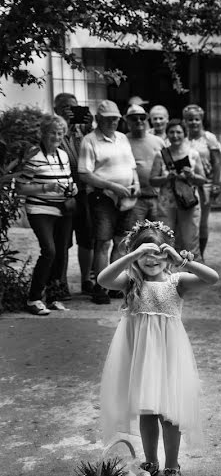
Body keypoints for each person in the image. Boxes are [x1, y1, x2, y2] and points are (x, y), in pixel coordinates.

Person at [97, 219, 218, 476]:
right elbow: (102, 280)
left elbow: (213, 278)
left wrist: (182, 261)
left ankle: (172, 465)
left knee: (170, 414)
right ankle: (151, 462)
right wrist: (131, 256)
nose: (151, 260)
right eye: (145, 254)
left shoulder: (177, 282)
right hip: (140, 356)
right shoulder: (130, 282)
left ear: (168, 254)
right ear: (136, 256)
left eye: (157, 254)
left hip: (170, 356)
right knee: (148, 410)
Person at [13, 114, 78, 315]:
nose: (57, 137)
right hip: (40, 210)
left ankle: (53, 297)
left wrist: (72, 188)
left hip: (62, 210)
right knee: (48, 251)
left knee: (60, 252)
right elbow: (21, 188)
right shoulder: (34, 156)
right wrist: (46, 186)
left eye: (60, 133)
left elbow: (67, 179)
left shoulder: (63, 155)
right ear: (43, 133)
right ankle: (33, 298)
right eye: (52, 133)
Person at [77, 100, 140, 305]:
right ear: (98, 119)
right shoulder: (90, 140)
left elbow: (131, 166)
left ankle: (113, 283)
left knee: (121, 241)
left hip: (127, 196)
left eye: (116, 118)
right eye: (109, 119)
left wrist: (136, 183)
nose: (113, 122)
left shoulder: (122, 138)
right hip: (102, 196)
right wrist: (112, 186)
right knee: (103, 242)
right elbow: (84, 174)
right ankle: (101, 286)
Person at [53, 93, 94, 296]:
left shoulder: (84, 133)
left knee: (87, 238)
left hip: (85, 192)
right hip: (64, 194)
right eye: (66, 107)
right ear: (56, 110)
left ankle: (86, 280)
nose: (71, 110)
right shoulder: (56, 132)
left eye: (74, 107)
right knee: (63, 240)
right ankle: (61, 283)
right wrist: (65, 125)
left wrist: (89, 128)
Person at [149, 120, 207, 258]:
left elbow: (202, 179)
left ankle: (193, 274)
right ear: (167, 134)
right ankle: (165, 275)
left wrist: (191, 175)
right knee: (164, 240)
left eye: (179, 132)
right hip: (166, 204)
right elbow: (152, 180)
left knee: (190, 241)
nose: (175, 135)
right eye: (172, 132)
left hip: (188, 204)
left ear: (184, 134)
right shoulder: (161, 155)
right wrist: (167, 177)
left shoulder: (193, 154)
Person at [183, 104, 221, 261]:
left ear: (201, 119)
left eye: (196, 119)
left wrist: (216, 184)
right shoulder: (182, 137)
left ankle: (200, 255)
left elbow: (216, 162)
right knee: (188, 222)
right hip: (186, 185)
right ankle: (187, 255)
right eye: (189, 120)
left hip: (204, 183)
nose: (193, 122)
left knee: (202, 222)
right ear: (185, 121)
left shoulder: (209, 138)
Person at [125, 104, 166, 226]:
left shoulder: (158, 141)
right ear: (127, 121)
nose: (139, 121)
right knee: (134, 236)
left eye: (142, 118)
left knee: (158, 235)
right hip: (135, 200)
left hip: (157, 198)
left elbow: (167, 166)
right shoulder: (123, 141)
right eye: (134, 118)